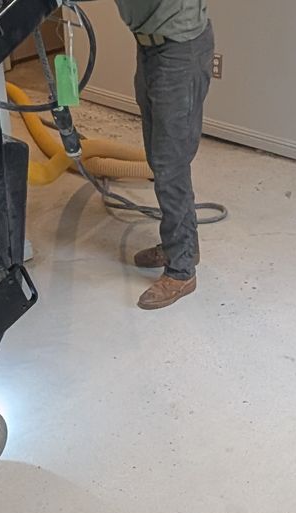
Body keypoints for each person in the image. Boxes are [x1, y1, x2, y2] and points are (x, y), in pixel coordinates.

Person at [112, 0, 213, 310]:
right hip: (150, 46)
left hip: (179, 50)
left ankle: (181, 270)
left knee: (171, 164)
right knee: (160, 157)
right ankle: (180, 245)